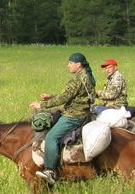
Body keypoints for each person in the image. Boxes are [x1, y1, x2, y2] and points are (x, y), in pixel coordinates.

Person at [29, 52, 96, 185]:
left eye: (70, 63)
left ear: (79, 64)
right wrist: (51, 97)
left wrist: (41, 105)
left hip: (73, 116)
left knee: (51, 137)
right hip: (81, 112)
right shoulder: (86, 77)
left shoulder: (76, 80)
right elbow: (73, 96)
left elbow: (64, 98)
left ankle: (50, 171)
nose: (68, 66)